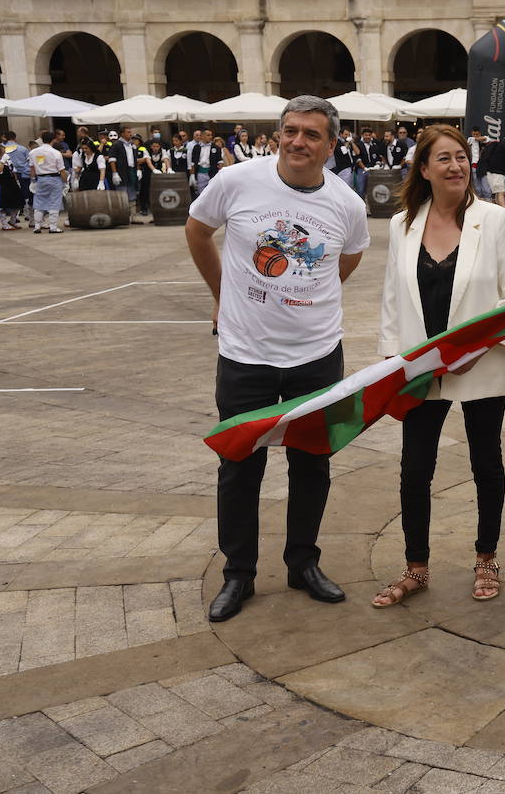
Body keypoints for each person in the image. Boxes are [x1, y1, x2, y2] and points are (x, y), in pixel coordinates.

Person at [185, 95, 370, 622]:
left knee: (312, 464)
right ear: (278, 134)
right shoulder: (238, 181)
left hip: (316, 355)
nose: (298, 142)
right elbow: (198, 231)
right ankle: (238, 572)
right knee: (239, 466)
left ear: (331, 145)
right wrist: (222, 295)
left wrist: (310, 296)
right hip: (245, 355)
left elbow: (349, 256)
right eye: (290, 131)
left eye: (312, 134)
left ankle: (302, 562)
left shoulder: (347, 204)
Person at [374, 124, 505, 607]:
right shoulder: (402, 224)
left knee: (486, 462)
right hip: (420, 367)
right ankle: (416, 566)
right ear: (424, 168)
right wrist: (392, 362)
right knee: (415, 467)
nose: (457, 165)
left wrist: (473, 351)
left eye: (462, 156)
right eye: (444, 159)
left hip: (480, 363)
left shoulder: (494, 220)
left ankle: (487, 557)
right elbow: (393, 300)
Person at [0, 145, 26, 231]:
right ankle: (4, 224)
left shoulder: (7, 159)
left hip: (11, 183)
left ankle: (12, 221)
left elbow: (13, 170)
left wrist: (17, 181)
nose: (4, 153)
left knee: (18, 203)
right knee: (2, 206)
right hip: (0, 185)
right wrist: (3, 161)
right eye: (2, 152)